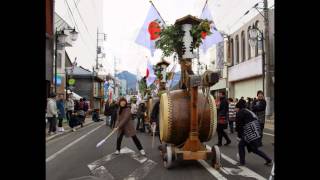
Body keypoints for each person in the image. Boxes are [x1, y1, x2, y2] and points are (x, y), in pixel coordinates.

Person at [235, 99, 272, 166]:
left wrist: (239, 136)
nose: (235, 110)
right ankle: (268, 159)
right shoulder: (248, 111)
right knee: (254, 149)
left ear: (238, 108)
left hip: (250, 132)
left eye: (236, 108)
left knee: (241, 145)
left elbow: (239, 126)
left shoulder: (241, 112)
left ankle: (242, 162)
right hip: (256, 132)